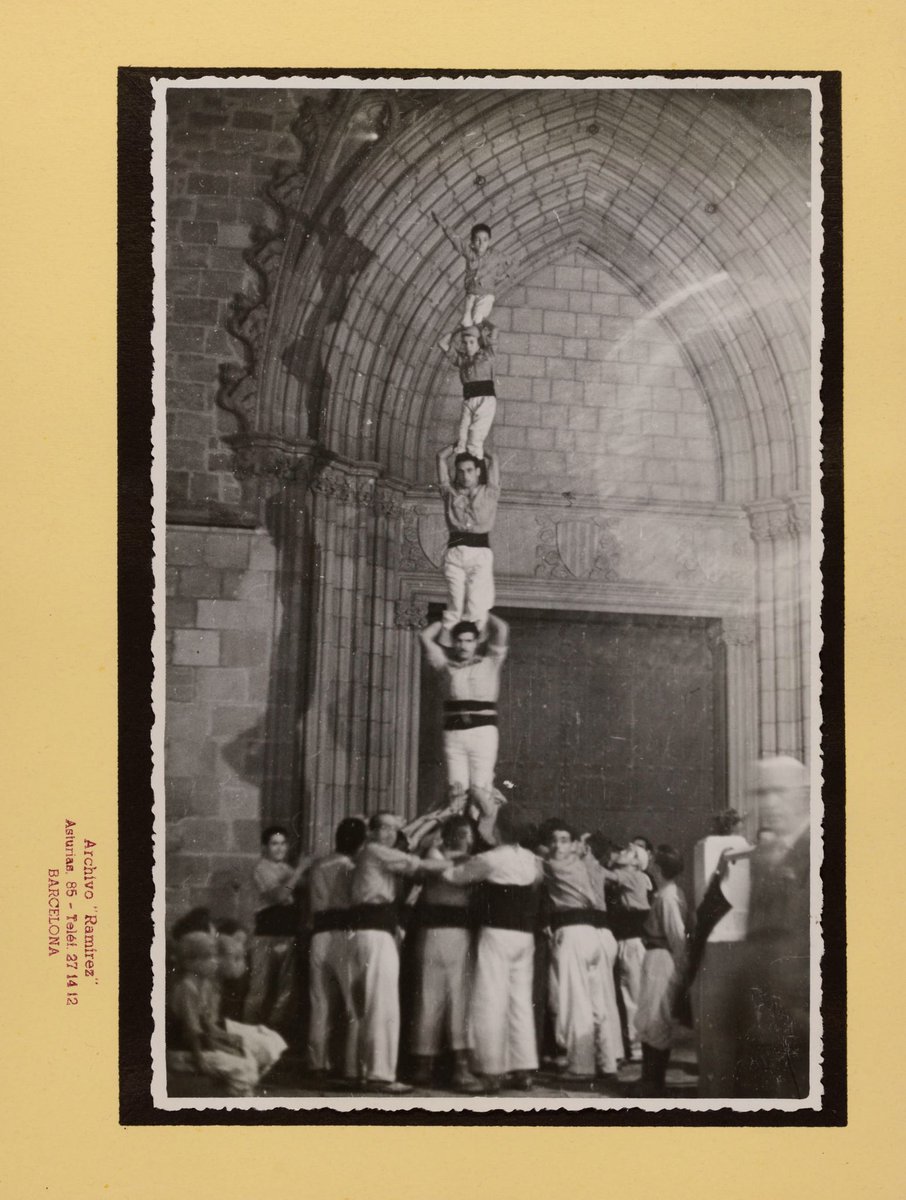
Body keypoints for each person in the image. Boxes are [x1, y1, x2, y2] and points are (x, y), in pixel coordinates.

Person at [442, 804, 543, 1092]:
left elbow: (454, 877)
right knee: (520, 1002)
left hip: (497, 933)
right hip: (524, 936)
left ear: (498, 829)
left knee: (490, 999)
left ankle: (491, 1070)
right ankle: (523, 1070)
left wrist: (450, 859)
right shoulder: (531, 859)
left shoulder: (491, 858)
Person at [348, 811, 449, 1093]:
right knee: (382, 1005)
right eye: (386, 828)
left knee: (371, 1004)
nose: (392, 834)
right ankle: (380, 1074)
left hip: (373, 930)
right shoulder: (376, 851)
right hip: (374, 931)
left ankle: (368, 1071)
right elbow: (413, 862)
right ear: (373, 831)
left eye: (395, 829)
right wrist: (453, 862)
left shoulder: (376, 852)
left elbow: (409, 849)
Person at [731, 755, 811, 1099]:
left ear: (806, 793)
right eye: (761, 792)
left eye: (779, 791)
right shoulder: (765, 859)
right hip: (767, 1032)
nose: (769, 802)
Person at [542, 821, 621, 1082]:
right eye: (554, 840)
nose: (556, 845)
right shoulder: (587, 863)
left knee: (575, 999)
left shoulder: (553, 864)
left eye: (564, 840)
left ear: (574, 844)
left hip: (574, 933)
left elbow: (534, 855)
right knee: (597, 1002)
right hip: (592, 935)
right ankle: (607, 1062)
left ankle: (581, 1065)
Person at [409, 815, 483, 1093]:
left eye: (469, 834)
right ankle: (432, 1066)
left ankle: (449, 1066)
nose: (468, 839)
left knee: (450, 999)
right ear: (452, 834)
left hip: (455, 934)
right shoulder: (437, 854)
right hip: (439, 933)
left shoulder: (458, 858)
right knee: (439, 999)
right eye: (464, 833)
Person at [167, 930, 287, 1097]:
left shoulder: (199, 984)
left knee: (247, 1060)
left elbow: (207, 1025)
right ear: (190, 961)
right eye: (208, 957)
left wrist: (226, 1040)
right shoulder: (187, 988)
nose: (214, 962)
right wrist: (201, 1057)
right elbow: (191, 1031)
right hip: (184, 1051)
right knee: (244, 1068)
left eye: (215, 956)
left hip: (198, 1046)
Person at [419, 614, 509, 815]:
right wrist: (450, 617)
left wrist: (481, 614)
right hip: (454, 735)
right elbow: (425, 637)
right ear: (453, 642)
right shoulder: (445, 666)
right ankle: (456, 841)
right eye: (458, 640)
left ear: (476, 642)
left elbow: (501, 628)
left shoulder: (490, 663)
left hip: (482, 734)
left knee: (481, 789)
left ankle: (479, 839)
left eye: (469, 640)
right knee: (456, 792)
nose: (463, 645)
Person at [307, 816, 367, 1081]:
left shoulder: (319, 865)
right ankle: (353, 1067)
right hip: (344, 934)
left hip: (318, 935)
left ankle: (316, 1063)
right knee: (354, 1005)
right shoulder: (354, 867)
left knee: (320, 1003)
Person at [633, 845, 689, 1096]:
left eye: (654, 863)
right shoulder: (664, 894)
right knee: (648, 1017)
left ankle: (654, 1083)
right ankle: (647, 1078)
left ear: (659, 868)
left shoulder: (668, 897)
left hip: (663, 960)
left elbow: (677, 936)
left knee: (657, 1018)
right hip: (655, 958)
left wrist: (679, 970)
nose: (651, 866)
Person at [243, 826, 308, 1032]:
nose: (279, 848)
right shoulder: (261, 868)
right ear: (265, 847)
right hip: (267, 934)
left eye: (283, 843)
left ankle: (274, 1034)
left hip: (287, 933)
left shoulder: (286, 869)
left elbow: (304, 885)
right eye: (274, 843)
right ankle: (248, 1032)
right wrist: (299, 870)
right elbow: (279, 896)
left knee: (286, 990)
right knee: (259, 989)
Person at [435, 443, 501, 634]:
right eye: (461, 471)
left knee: (476, 606)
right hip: (455, 553)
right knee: (455, 605)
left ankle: (473, 648)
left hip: (479, 554)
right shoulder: (449, 493)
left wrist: (475, 443)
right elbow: (440, 456)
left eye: (470, 470)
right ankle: (447, 649)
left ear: (478, 471)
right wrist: (459, 443)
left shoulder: (490, 492)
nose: (465, 475)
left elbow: (494, 457)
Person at [609, 843, 654, 1061]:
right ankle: (635, 1045)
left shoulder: (632, 876)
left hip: (632, 942)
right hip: (628, 940)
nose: (622, 852)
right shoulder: (634, 877)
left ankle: (637, 1046)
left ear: (637, 863)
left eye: (629, 853)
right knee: (630, 994)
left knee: (632, 995)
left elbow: (603, 874)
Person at [432, 214, 511, 333]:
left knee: (477, 319)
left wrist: (504, 276)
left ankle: (486, 339)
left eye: (485, 240)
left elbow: (513, 261)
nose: (481, 243)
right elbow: (456, 240)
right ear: (473, 242)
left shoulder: (496, 255)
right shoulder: (470, 254)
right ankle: (466, 346)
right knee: (466, 322)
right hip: (472, 293)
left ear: (489, 241)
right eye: (477, 240)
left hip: (486, 295)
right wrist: (443, 225)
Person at [439, 325, 497, 460]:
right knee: (462, 438)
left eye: (472, 342)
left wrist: (481, 323)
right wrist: (458, 328)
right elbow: (442, 343)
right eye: (465, 343)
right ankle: (463, 466)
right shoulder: (462, 360)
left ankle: (477, 466)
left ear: (479, 342)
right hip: (468, 400)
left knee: (475, 437)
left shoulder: (488, 355)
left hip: (485, 400)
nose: (468, 346)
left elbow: (494, 329)